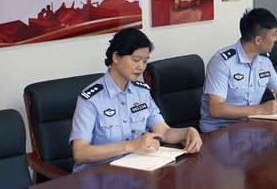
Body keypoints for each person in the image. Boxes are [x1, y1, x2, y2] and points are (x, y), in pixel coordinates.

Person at [69, 28, 202, 173]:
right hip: (98, 175)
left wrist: (188, 132)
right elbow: (80, 153)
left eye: (145, 61)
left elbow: (164, 132)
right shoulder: (91, 99)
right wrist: (130, 146)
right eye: (136, 60)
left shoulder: (142, 92)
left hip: (134, 170)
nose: (141, 67)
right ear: (116, 57)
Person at [200, 8, 277, 133]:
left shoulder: (264, 61)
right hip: (221, 131)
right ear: (258, 40)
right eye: (273, 34)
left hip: (251, 127)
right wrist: (260, 109)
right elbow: (215, 109)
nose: (275, 39)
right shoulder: (222, 62)